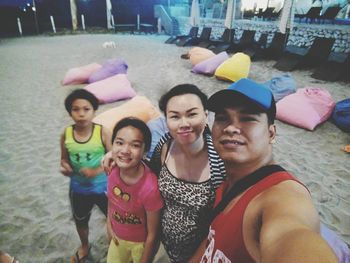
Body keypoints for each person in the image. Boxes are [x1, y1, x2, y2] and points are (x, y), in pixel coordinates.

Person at [189, 78, 339, 263]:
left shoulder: (281, 197)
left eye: (248, 119)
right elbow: (211, 241)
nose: (230, 128)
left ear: (271, 133)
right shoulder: (228, 184)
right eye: (222, 118)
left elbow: (291, 235)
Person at [103, 84, 226, 263]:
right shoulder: (165, 146)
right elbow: (145, 171)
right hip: (160, 244)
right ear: (166, 121)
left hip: (196, 253)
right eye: (175, 116)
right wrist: (116, 155)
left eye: (192, 114)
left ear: (206, 115)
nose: (184, 124)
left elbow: (222, 221)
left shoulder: (219, 162)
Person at [60, 89, 111, 263]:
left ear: (94, 111)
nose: (81, 114)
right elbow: (64, 159)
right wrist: (65, 167)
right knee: (80, 220)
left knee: (112, 218)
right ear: (70, 112)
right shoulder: (66, 134)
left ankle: (114, 247)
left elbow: (114, 160)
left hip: (103, 187)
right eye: (76, 109)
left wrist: (95, 171)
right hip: (78, 188)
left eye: (86, 109)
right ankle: (84, 245)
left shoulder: (102, 132)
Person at [107, 117, 164, 263]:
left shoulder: (150, 188)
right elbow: (112, 201)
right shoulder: (112, 170)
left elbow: (153, 233)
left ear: (145, 151)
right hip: (117, 239)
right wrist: (109, 224)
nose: (125, 150)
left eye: (135, 145)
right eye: (119, 142)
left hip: (140, 245)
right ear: (112, 144)